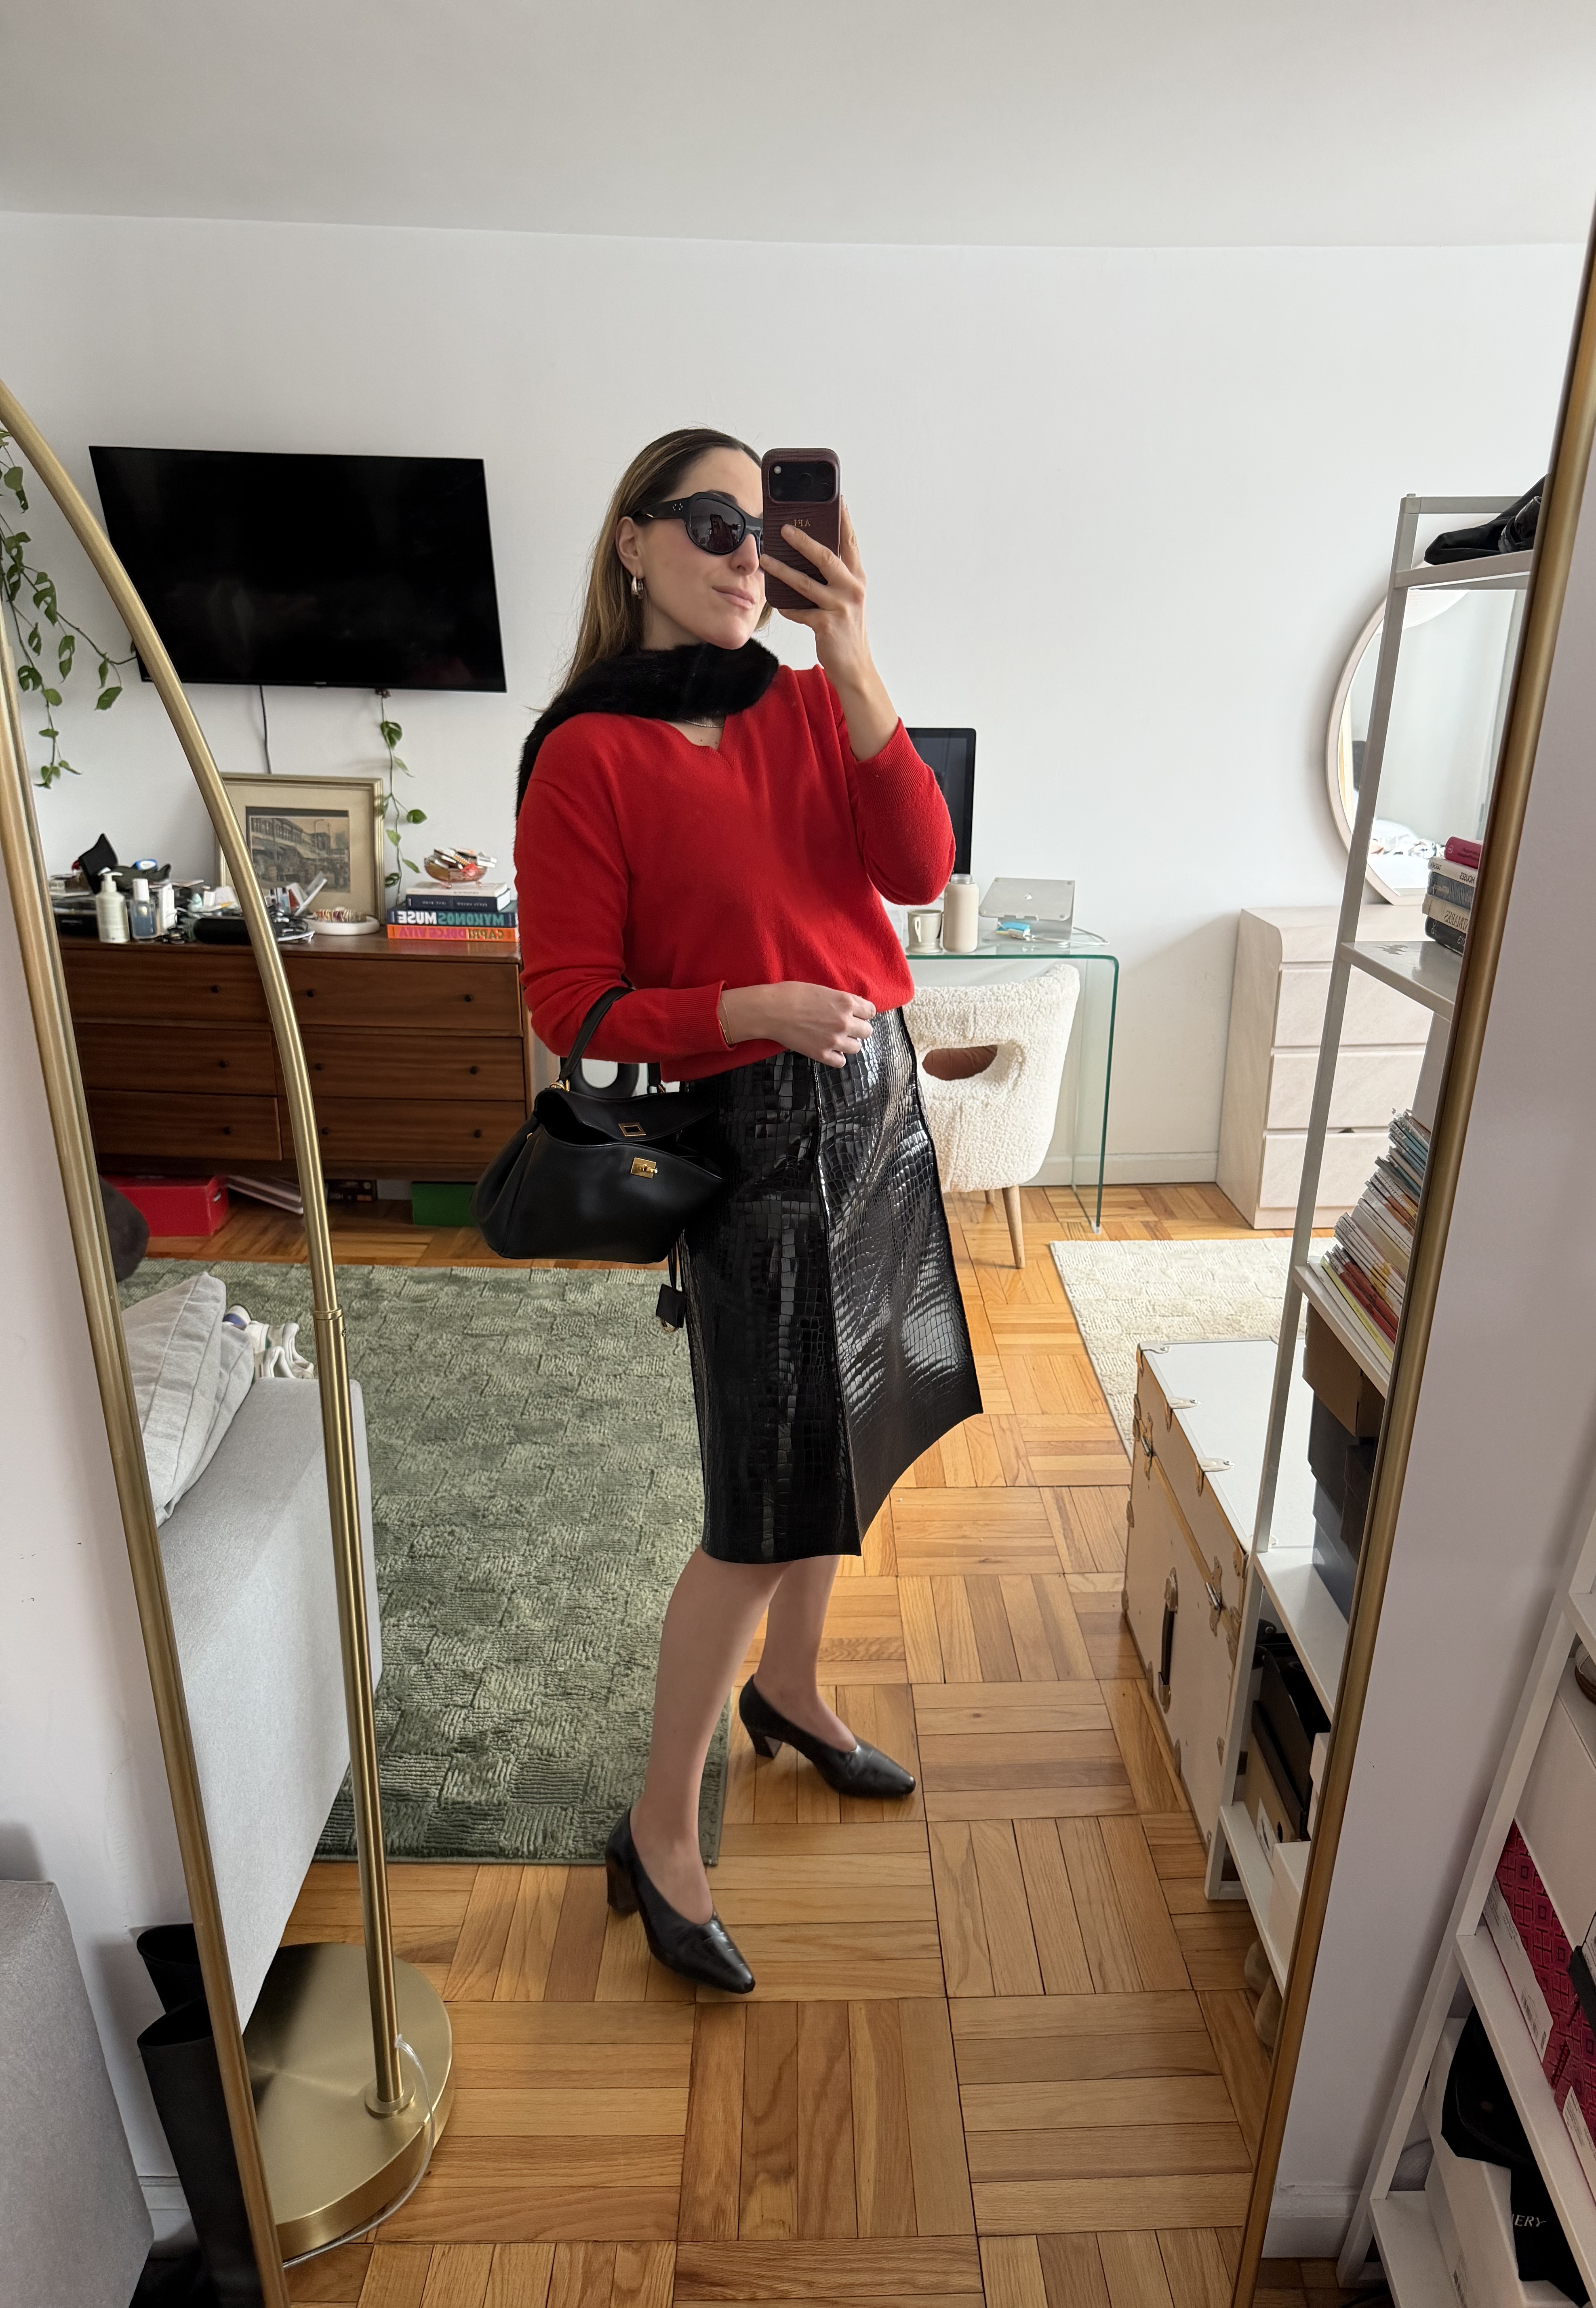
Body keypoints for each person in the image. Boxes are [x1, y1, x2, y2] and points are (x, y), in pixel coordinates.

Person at [514, 428, 980, 1993]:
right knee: (755, 1502)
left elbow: (918, 866)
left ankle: (793, 1692)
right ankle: (658, 1830)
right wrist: (752, 1008)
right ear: (633, 542)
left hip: (875, 1108)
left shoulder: (797, 704)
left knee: (851, 1425)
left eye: (760, 525)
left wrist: (850, 653)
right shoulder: (584, 754)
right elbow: (573, 1006)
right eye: (709, 522)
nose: (739, 550)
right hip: (751, 1136)